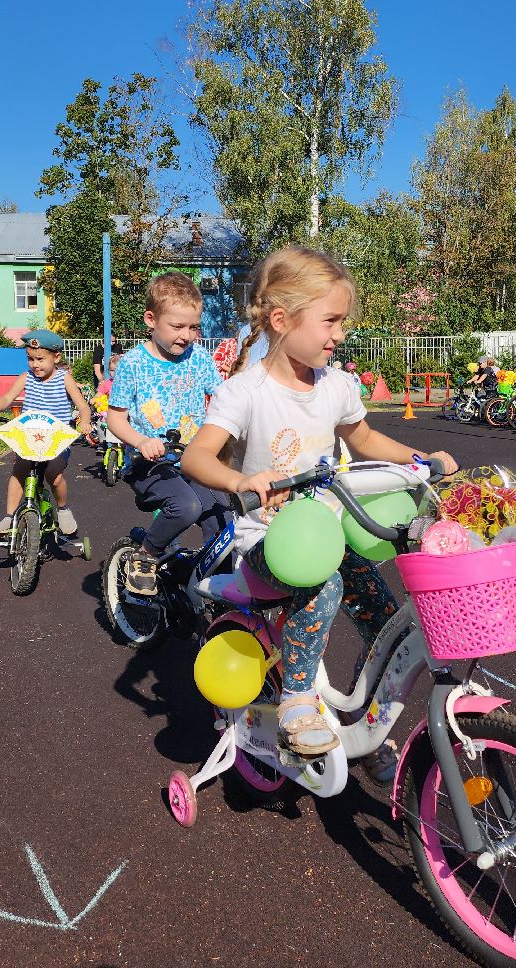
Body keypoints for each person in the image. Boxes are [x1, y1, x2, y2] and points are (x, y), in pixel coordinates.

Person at [182, 245, 457, 761]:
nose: (340, 334)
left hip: (327, 534)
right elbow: (197, 458)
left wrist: (422, 458)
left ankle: (365, 725)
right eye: (330, 320)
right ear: (283, 320)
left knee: (385, 616)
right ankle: (297, 701)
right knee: (323, 583)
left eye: (343, 322)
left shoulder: (336, 386)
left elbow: (366, 439)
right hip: (269, 542)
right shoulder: (246, 392)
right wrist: (245, 479)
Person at [107, 272, 230, 597]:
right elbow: (115, 420)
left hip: (193, 459)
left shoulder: (199, 359)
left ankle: (210, 586)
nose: (187, 335)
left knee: (224, 516)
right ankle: (144, 556)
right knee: (187, 506)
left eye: (194, 327)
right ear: (151, 319)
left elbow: (225, 401)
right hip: (150, 464)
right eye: (178, 326)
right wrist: (141, 441)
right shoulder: (133, 364)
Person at [0, 329, 95, 539]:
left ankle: (63, 509)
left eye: (40, 359)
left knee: (54, 475)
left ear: (56, 357)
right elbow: (7, 397)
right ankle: (9, 516)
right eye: (30, 359)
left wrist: (85, 422)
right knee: (19, 470)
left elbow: (83, 407)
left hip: (56, 440)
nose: (35, 364)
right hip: (30, 439)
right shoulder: (26, 378)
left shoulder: (64, 379)